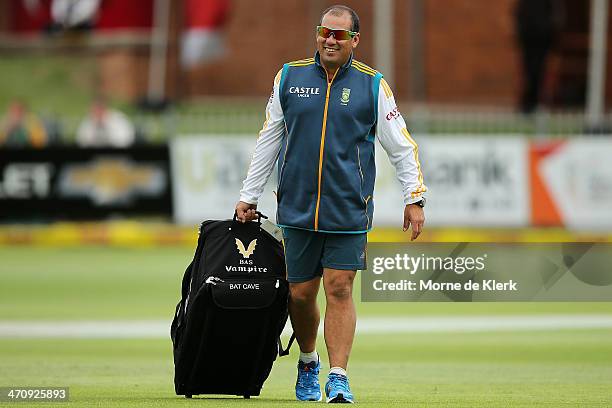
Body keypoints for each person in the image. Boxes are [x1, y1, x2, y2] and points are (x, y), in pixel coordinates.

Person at [235, 5, 426, 403]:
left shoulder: (373, 85)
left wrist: (415, 197)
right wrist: (248, 195)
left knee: (339, 288)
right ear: (317, 34)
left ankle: (339, 376)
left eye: (340, 35)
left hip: (348, 208)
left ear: (355, 40)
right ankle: (308, 361)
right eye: (325, 32)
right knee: (300, 295)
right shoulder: (289, 77)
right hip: (298, 208)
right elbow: (269, 138)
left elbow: (401, 145)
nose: (330, 40)